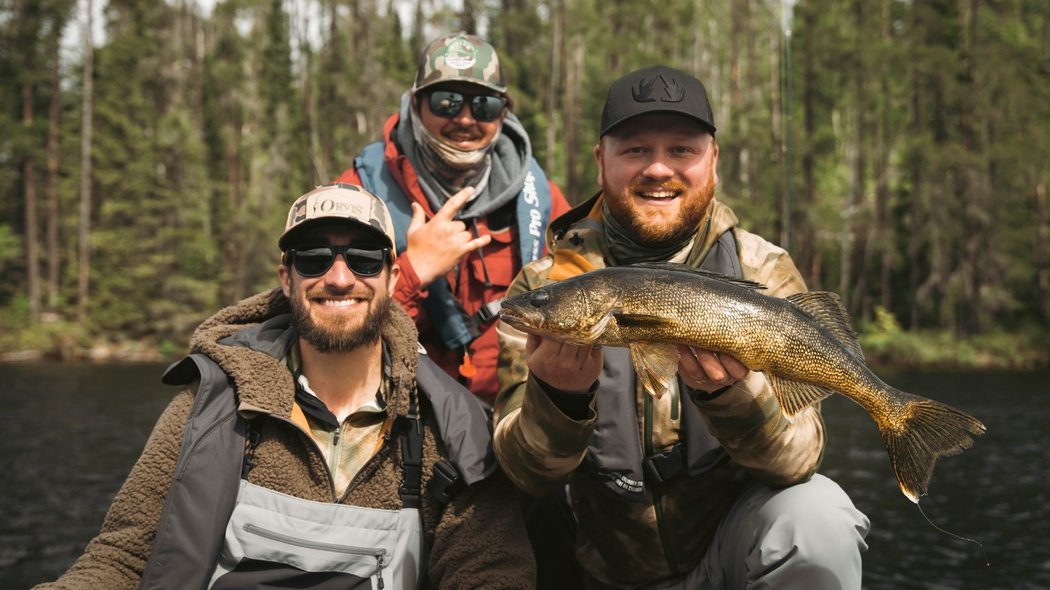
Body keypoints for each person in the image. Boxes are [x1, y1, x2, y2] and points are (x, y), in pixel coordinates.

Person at [36, 183, 534, 589]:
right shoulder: (209, 403)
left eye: (363, 259)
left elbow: (490, 572)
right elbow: (122, 556)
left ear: (392, 276)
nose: (339, 278)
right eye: (313, 258)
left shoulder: (453, 428)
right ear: (286, 278)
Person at [493, 65, 871, 590]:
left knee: (818, 517)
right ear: (601, 162)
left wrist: (731, 396)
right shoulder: (547, 285)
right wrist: (559, 399)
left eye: (681, 150)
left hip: (727, 558)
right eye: (635, 150)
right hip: (602, 571)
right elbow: (524, 472)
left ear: (713, 161)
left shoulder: (762, 269)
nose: (657, 169)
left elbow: (798, 460)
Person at [335, 32, 571, 408]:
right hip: (404, 417)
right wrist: (413, 270)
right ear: (416, 105)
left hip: (515, 419)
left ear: (503, 113)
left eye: (484, 105)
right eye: (446, 102)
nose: (464, 119)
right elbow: (329, 332)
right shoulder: (358, 196)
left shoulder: (543, 202)